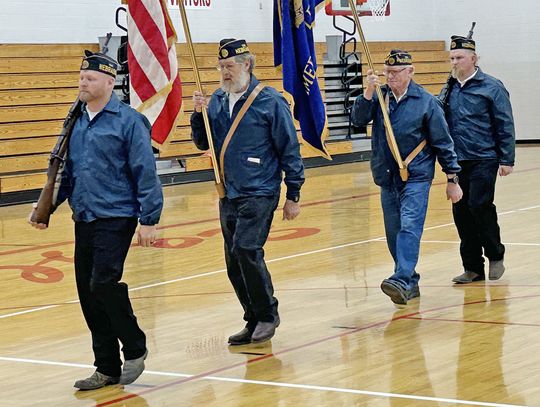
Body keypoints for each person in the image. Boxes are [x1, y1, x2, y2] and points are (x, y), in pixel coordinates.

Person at [28, 51, 163, 390]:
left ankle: (135, 345)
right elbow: (67, 172)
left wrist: (150, 218)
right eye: (80, 78)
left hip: (117, 215)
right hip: (84, 215)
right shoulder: (76, 121)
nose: (82, 83)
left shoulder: (129, 121)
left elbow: (145, 172)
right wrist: (48, 207)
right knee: (88, 295)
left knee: (103, 283)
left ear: (109, 81)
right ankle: (106, 367)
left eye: (89, 79)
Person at [191, 39, 304, 344]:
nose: (224, 72)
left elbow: (289, 148)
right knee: (232, 259)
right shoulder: (216, 99)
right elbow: (204, 144)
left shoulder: (270, 101)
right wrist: (196, 115)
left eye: (230, 66)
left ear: (246, 65)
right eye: (221, 66)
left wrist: (293, 193)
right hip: (228, 191)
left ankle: (268, 315)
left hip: (260, 190)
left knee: (246, 249)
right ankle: (252, 318)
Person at [351, 50, 463, 307]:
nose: (391, 77)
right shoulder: (380, 98)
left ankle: (401, 277)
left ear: (410, 72)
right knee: (393, 232)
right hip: (386, 176)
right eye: (387, 72)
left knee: (409, 226)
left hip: (416, 176)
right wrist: (368, 92)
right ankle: (409, 281)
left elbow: (443, 142)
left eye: (397, 72)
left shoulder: (426, 102)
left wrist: (452, 178)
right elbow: (358, 119)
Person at [442, 36, 515, 284]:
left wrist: (507, 158)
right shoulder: (449, 87)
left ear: (474, 59)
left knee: (480, 206)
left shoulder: (492, 87)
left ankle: (495, 254)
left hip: (484, 157)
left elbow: (505, 124)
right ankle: (472, 267)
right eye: (452, 58)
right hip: (456, 160)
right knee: (461, 212)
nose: (455, 62)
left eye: (459, 57)